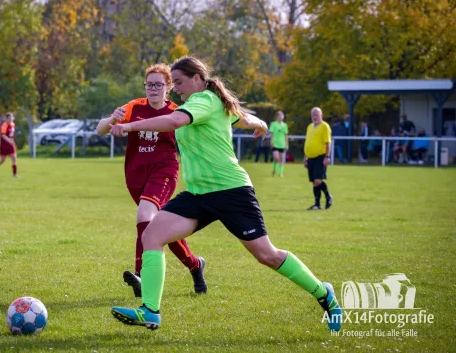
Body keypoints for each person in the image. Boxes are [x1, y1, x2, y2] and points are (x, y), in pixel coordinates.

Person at [109, 56, 342, 332]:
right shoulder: (210, 102)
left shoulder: (204, 101)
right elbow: (241, 117)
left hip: (231, 192)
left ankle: (323, 292)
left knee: (266, 255)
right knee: (152, 234)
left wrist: (129, 126)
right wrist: (260, 124)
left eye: (180, 82)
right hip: (198, 195)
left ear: (197, 79)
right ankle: (150, 311)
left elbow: (173, 122)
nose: (176, 89)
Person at [95, 63, 206, 298]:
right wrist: (111, 120)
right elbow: (100, 129)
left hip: (164, 173)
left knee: (144, 216)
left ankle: (141, 275)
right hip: (135, 175)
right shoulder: (134, 107)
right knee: (159, 228)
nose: (152, 89)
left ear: (168, 87)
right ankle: (195, 265)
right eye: (149, 84)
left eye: (158, 84)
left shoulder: (176, 112)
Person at [304, 108, 333, 210]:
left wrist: (327, 156)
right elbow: (308, 142)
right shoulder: (309, 127)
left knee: (318, 180)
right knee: (313, 181)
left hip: (320, 156)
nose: (315, 116)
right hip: (310, 157)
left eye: (316, 114)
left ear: (321, 115)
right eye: (313, 114)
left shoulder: (325, 126)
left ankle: (328, 196)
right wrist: (305, 156)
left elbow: (328, 142)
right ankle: (317, 204)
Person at [0, 112, 18, 177]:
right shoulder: (4, 125)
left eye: (12, 117)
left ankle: (15, 174)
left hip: (10, 144)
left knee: (14, 158)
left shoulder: (13, 124)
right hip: (4, 145)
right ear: (7, 119)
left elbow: (11, 134)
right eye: (10, 118)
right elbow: (3, 135)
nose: (11, 119)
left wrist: (12, 140)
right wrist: (9, 141)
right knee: (2, 160)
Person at [269, 111, 289, 177]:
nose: (281, 117)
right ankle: (274, 169)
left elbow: (286, 135)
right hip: (275, 144)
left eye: (282, 116)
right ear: (277, 117)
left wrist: (287, 144)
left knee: (281, 160)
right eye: (279, 116)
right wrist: (271, 141)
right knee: (276, 158)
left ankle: (280, 173)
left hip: (282, 144)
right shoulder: (273, 124)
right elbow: (271, 133)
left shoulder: (285, 125)